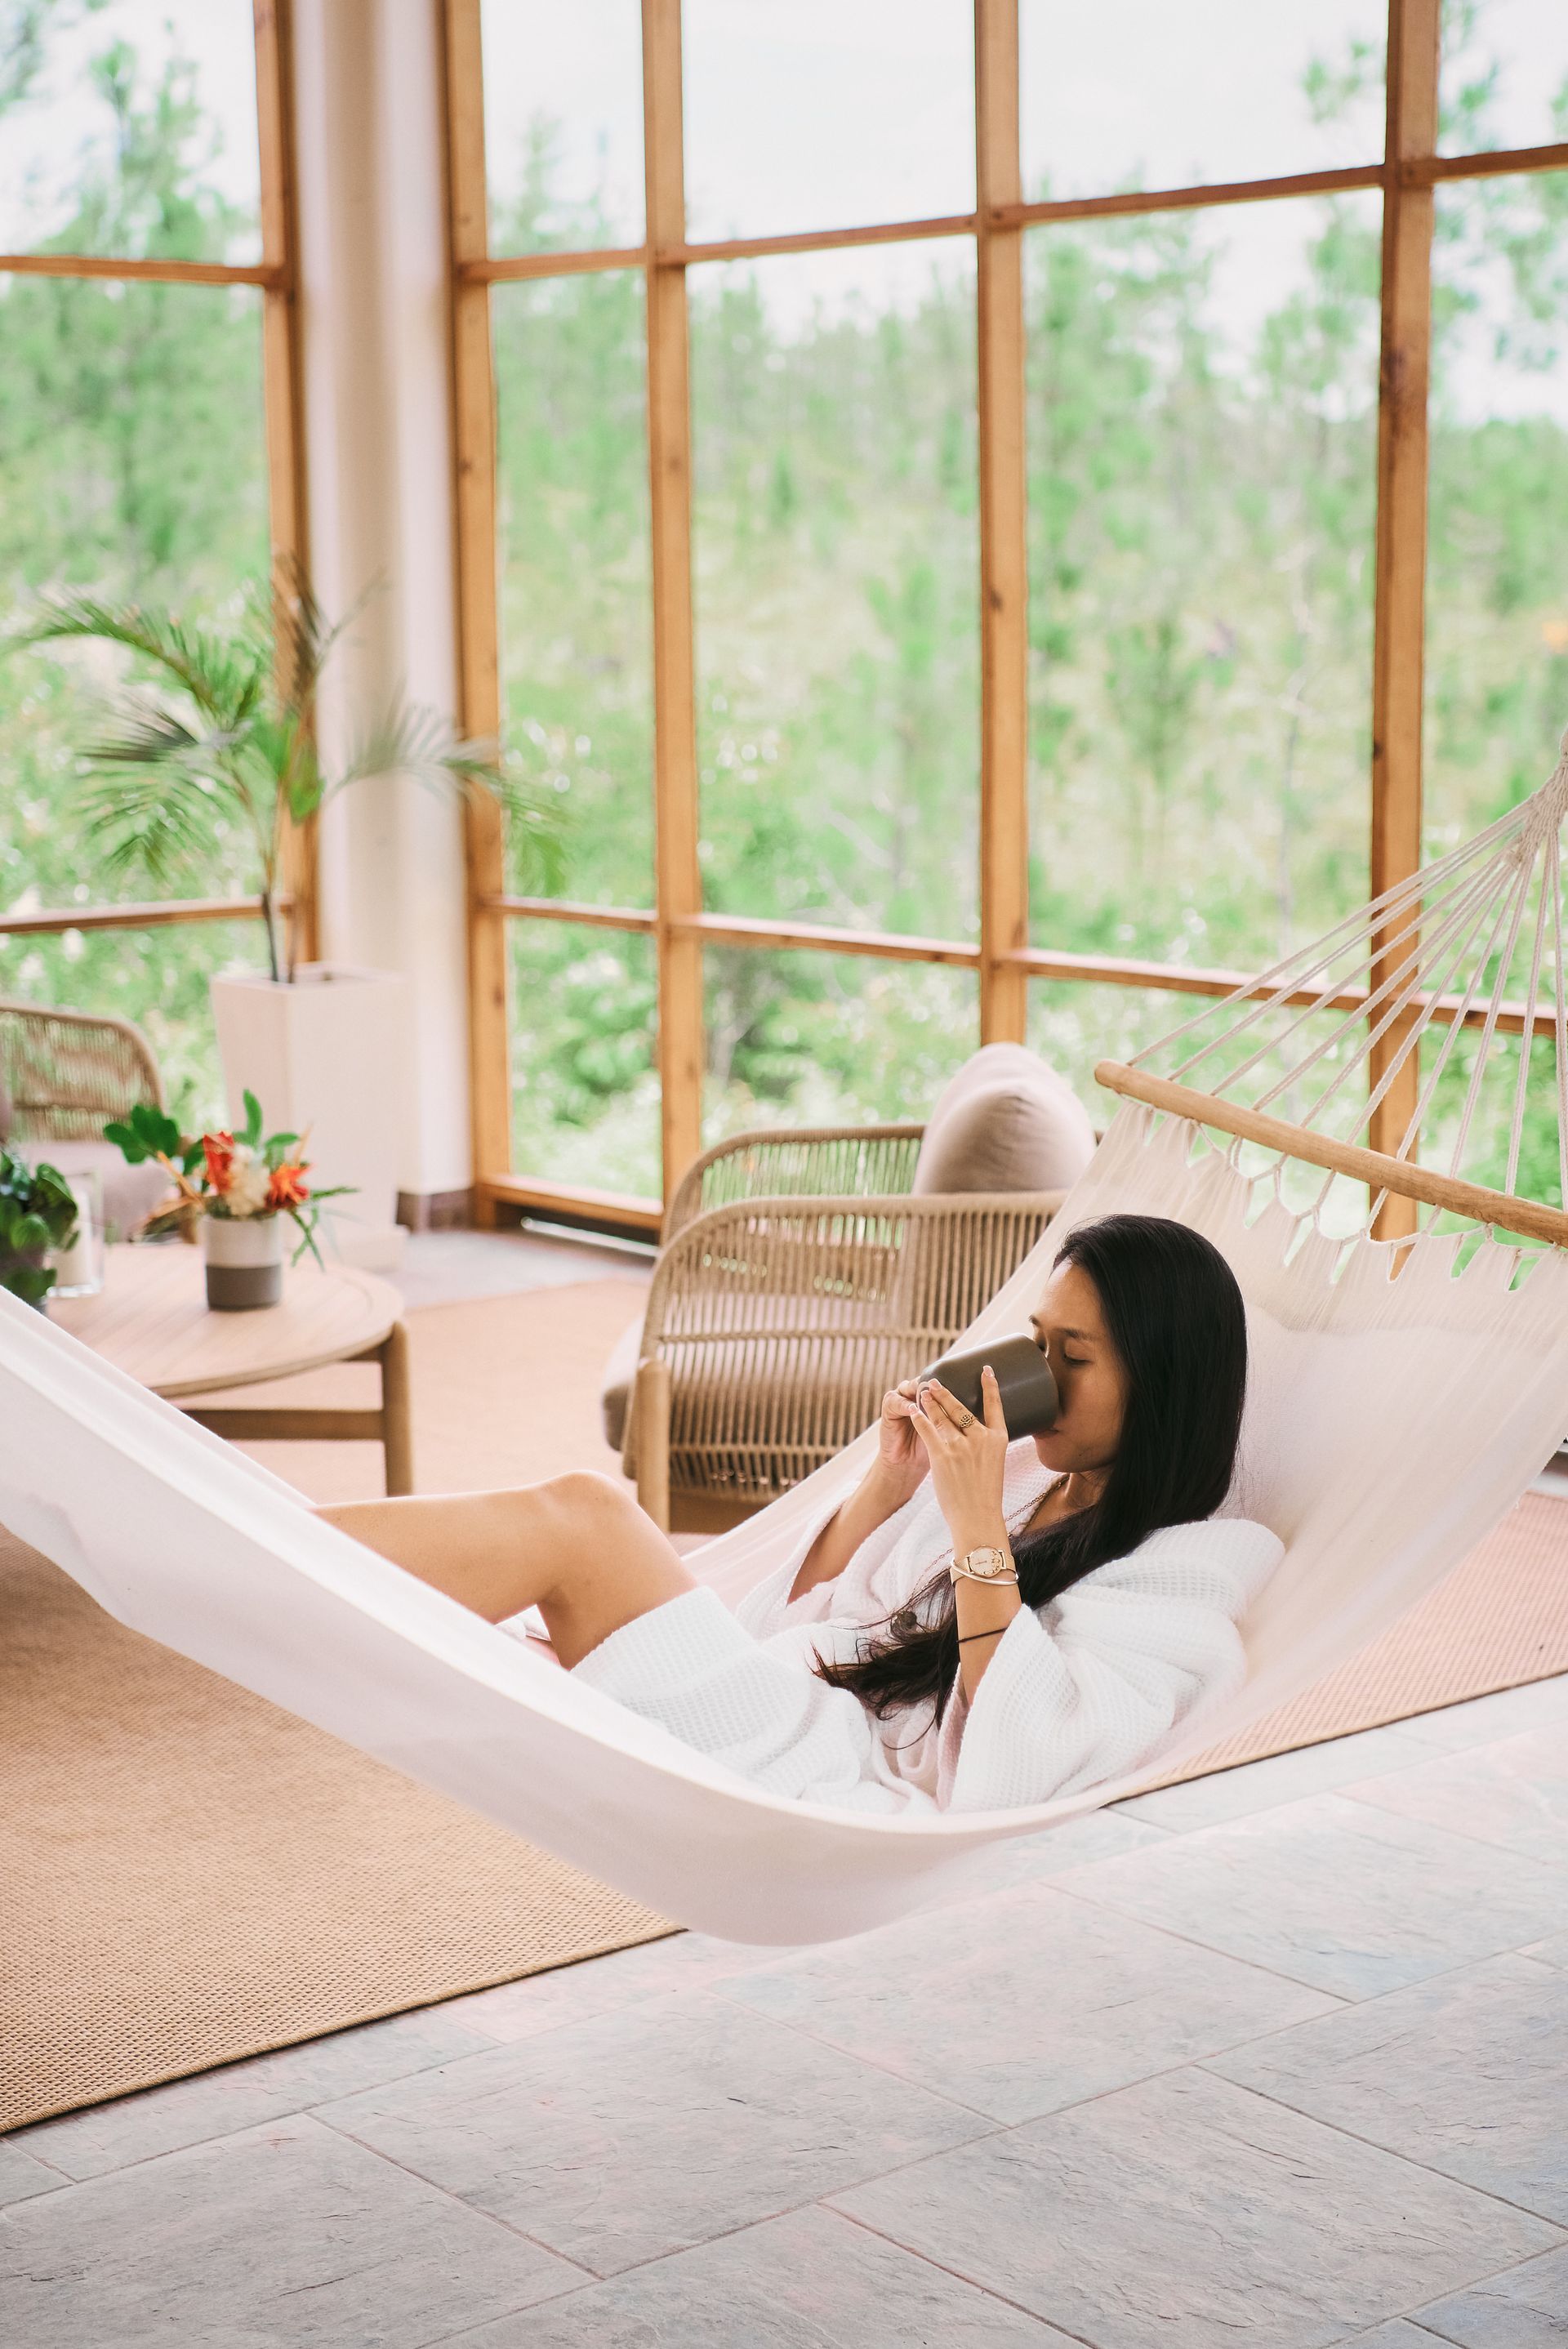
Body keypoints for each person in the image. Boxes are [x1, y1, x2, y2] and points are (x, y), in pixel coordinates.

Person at [318, 1213, 1281, 1815]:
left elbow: (1033, 1756)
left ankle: (274, 1550)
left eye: (1073, 1357)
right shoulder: (1029, 1483)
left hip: (825, 1772)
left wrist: (977, 1525)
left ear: (1160, 1388)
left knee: (587, 1518)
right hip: (793, 1704)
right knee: (553, 1585)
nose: (1037, 1371)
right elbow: (812, 1620)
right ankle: (269, 1550)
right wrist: (888, 1487)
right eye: (1037, 1341)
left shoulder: (1186, 1572)